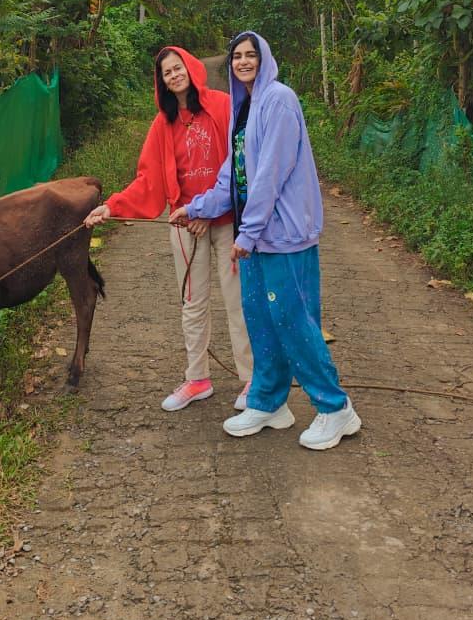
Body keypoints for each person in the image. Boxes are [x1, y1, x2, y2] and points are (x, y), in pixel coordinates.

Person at [170, 31, 362, 451]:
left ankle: (335, 408)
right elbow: (231, 174)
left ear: (264, 58)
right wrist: (197, 207)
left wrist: (249, 231)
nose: (242, 61)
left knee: (293, 321)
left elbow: (269, 174)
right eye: (236, 56)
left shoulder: (278, 100)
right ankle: (269, 402)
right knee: (259, 318)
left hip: (284, 236)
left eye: (249, 55)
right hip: (255, 239)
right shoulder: (244, 107)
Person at [84, 46, 252, 412]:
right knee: (192, 303)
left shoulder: (223, 106)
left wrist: (209, 210)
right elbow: (148, 179)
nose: (174, 75)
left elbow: (239, 164)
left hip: (226, 223)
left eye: (178, 68)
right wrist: (111, 206)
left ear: (190, 68)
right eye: (166, 73)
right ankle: (198, 378)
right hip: (183, 225)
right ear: (160, 82)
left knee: (239, 301)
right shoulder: (163, 124)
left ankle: (252, 380)